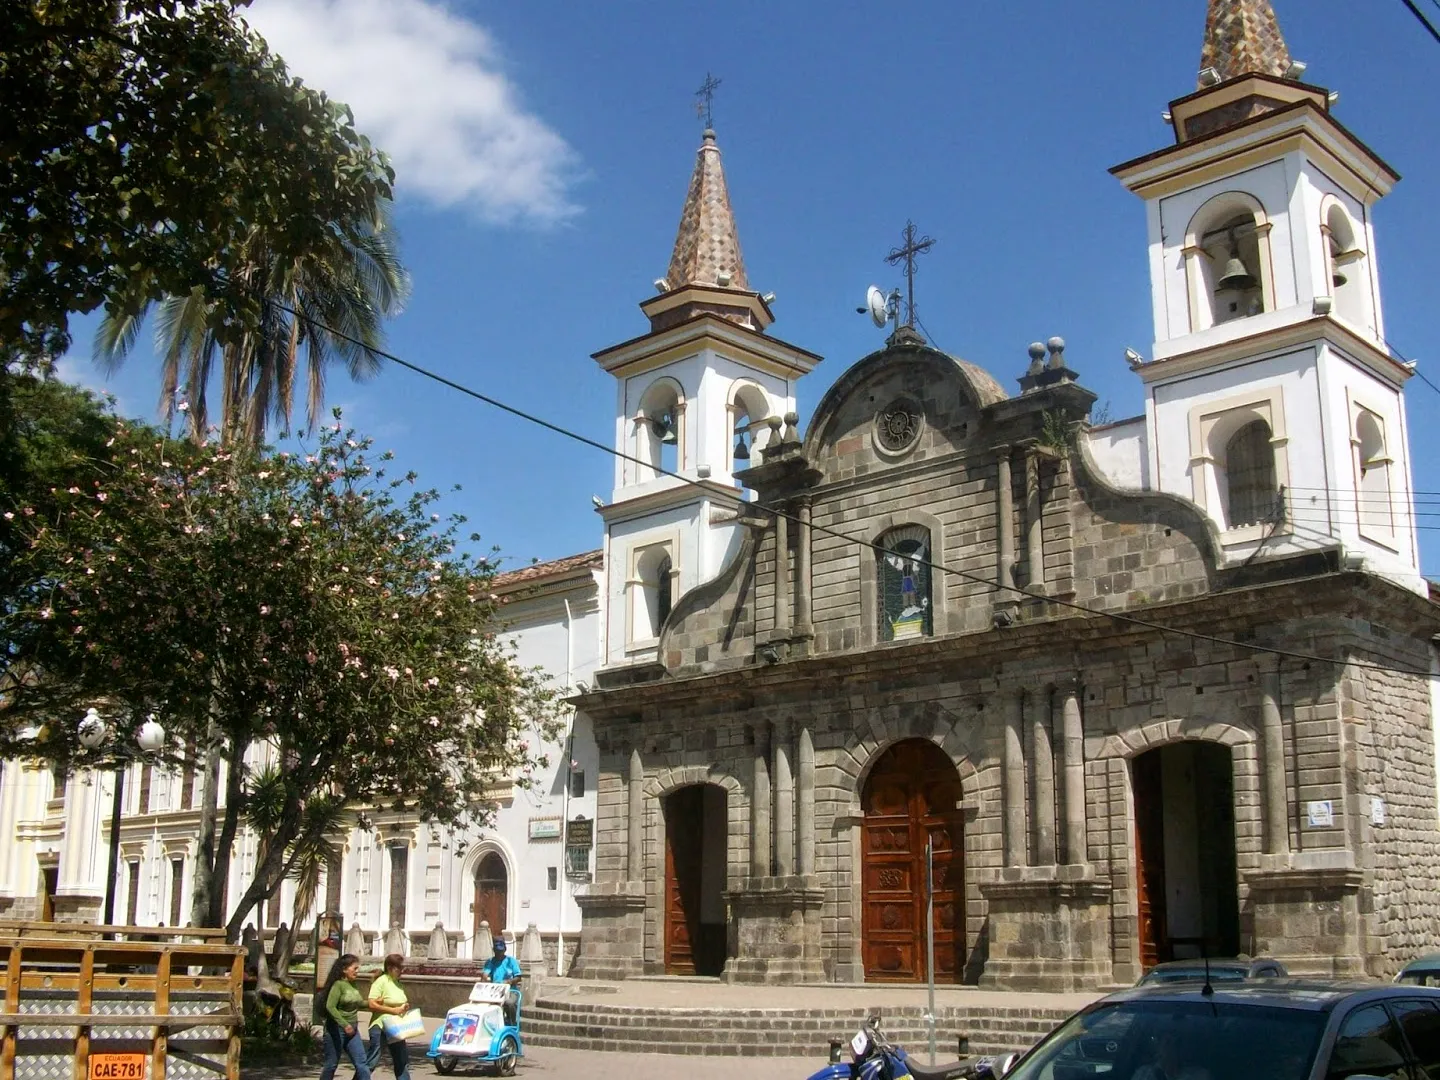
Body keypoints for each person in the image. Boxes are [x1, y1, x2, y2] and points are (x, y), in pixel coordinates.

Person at [318, 953, 371, 1080]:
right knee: (331, 1064)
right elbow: (330, 1006)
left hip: (353, 1030)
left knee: (362, 1063)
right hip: (336, 1030)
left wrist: (373, 1003)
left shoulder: (353, 985)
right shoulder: (338, 985)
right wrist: (344, 1024)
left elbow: (358, 1003)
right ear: (344, 969)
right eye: (355, 968)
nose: (357, 972)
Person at [365, 953, 412, 1080]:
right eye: (399, 968)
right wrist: (393, 1010)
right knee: (373, 1059)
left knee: (401, 1060)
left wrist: (404, 1007)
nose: (401, 971)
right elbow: (372, 1004)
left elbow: (398, 1001)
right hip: (380, 1026)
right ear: (390, 967)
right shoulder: (381, 981)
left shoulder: (397, 983)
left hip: (396, 1026)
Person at [481, 937, 522, 1026]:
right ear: (494, 950)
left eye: (501, 951)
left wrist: (509, 981)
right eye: (497, 951)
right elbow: (485, 975)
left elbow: (518, 977)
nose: (499, 953)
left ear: (504, 950)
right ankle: (489, 1025)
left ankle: (512, 1024)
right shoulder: (490, 962)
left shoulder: (511, 961)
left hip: (510, 990)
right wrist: (484, 979)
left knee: (509, 1003)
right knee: (483, 1004)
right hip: (495, 990)